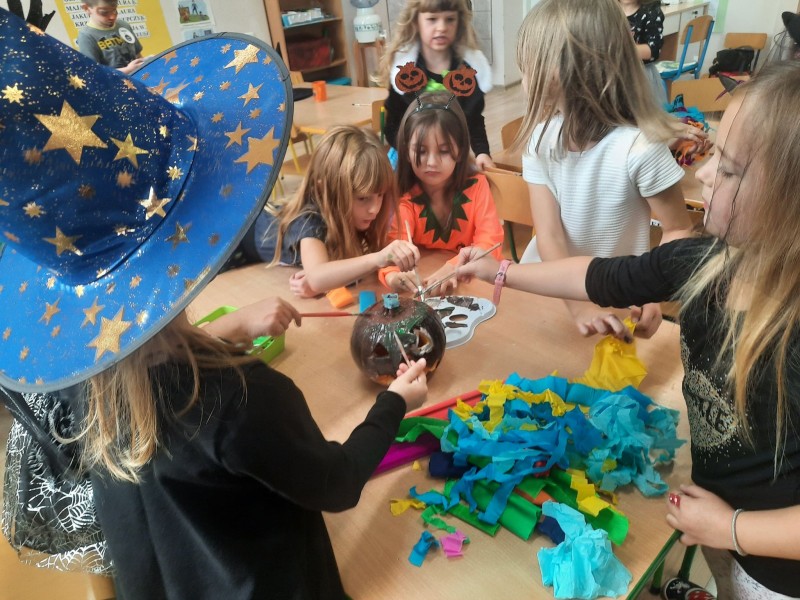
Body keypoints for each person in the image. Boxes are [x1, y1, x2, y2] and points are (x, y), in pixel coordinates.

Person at [0, 10, 429, 599]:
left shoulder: (80, 395)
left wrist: (222, 330)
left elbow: (149, 363)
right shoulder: (242, 398)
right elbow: (336, 485)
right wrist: (394, 404)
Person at [455, 61, 800, 599]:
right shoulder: (703, 261)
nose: (704, 175)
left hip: (777, 568)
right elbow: (599, 276)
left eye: (729, 169)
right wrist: (499, 271)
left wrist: (732, 529)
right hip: (716, 517)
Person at [515, 0, 695, 340]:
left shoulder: (639, 148)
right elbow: (549, 234)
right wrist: (577, 305)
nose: (524, 79)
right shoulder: (539, 140)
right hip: (550, 291)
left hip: (615, 297)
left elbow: (678, 229)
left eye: (529, 66)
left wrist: (652, 291)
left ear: (574, 67)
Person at [239, 125, 420, 297]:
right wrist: (377, 259)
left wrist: (392, 276)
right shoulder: (309, 219)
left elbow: (351, 261)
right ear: (326, 189)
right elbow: (318, 277)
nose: (375, 209)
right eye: (362, 198)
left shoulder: (354, 211)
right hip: (238, 243)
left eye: (380, 195)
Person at [379, 91, 504, 296]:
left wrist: (452, 267)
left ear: (461, 150)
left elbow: (490, 244)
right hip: (428, 287)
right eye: (421, 151)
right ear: (406, 151)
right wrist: (392, 275)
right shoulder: (404, 195)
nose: (432, 162)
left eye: (444, 151)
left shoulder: (477, 186)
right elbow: (393, 247)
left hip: (474, 287)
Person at [377, 0, 495, 171]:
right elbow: (392, 123)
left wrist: (482, 152)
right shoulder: (404, 71)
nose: (441, 27)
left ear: (459, 23)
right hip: (409, 160)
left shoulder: (467, 73)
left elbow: (474, 119)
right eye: (432, 19)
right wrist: (409, 151)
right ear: (416, 22)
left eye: (449, 19)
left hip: (449, 158)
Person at [620, 0, 668, 107]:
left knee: (644, 114)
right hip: (615, 75)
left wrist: (621, 48)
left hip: (642, 76)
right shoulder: (607, 11)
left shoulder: (651, 11)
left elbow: (653, 51)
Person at [77, 0, 146, 75]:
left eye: (114, 11)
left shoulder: (124, 25)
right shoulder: (86, 36)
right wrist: (127, 70)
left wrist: (146, 62)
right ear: (86, 8)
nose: (112, 17)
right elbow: (93, 72)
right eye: (104, 13)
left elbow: (138, 55)